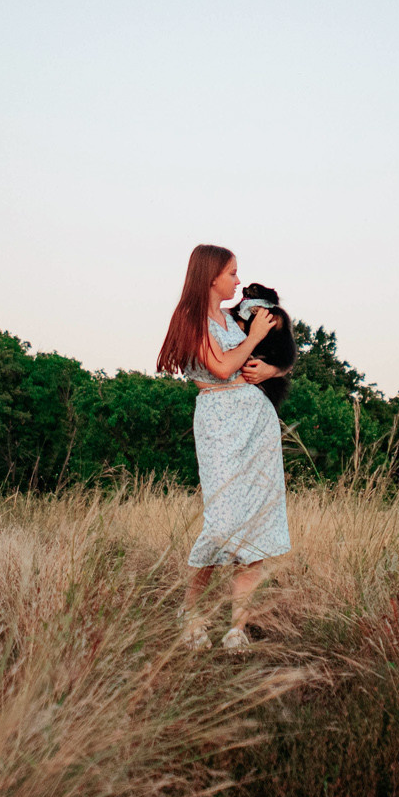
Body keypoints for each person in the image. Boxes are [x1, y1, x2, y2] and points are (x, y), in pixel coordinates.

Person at [156, 243, 292, 649]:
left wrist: (274, 367)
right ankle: (191, 613)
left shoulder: (235, 319)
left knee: (256, 524)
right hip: (219, 421)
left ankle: (237, 628)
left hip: (257, 423)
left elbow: (272, 356)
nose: (238, 280)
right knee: (221, 525)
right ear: (211, 275)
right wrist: (253, 338)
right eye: (232, 273)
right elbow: (221, 367)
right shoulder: (192, 317)